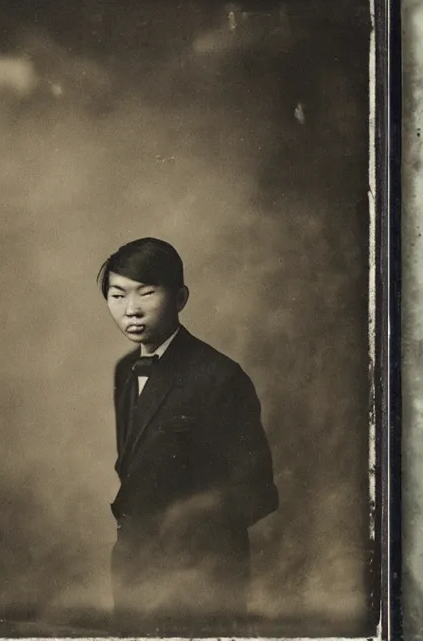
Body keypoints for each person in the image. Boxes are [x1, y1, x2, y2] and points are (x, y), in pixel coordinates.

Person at [99, 237, 277, 633]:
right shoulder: (125, 371)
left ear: (180, 298)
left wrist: (187, 532)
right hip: (132, 568)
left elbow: (258, 492)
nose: (131, 309)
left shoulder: (220, 377)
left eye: (147, 292)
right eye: (117, 295)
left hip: (198, 577)